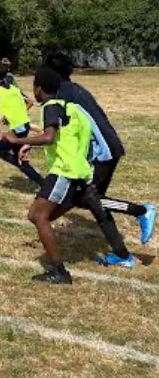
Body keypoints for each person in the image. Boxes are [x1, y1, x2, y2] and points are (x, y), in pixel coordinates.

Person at [5, 66, 135, 284]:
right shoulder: (70, 107)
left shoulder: (50, 107)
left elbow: (49, 137)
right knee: (40, 216)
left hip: (64, 171)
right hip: (75, 170)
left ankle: (59, 271)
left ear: (38, 88)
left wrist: (17, 140)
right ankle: (60, 262)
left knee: (38, 216)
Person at [44, 52, 156, 251]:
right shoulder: (75, 89)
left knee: (88, 198)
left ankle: (140, 211)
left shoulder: (62, 95)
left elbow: (63, 132)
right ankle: (121, 254)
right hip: (109, 146)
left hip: (102, 152)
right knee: (95, 201)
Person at [0, 63, 43, 186]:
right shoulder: (14, 89)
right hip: (24, 125)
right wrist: (16, 115)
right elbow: (30, 102)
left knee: (1, 151)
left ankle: (43, 183)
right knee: (11, 154)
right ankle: (38, 179)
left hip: (17, 129)